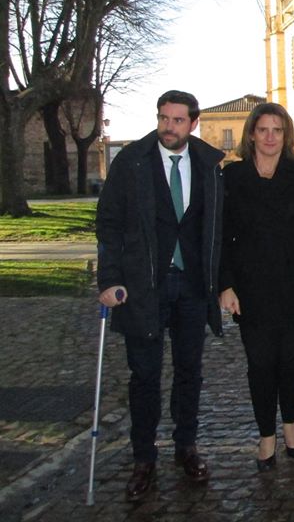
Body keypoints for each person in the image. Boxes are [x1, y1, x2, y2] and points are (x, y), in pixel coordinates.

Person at [96, 90, 224, 502]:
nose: (169, 127)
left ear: (193, 123)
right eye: (164, 118)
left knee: (189, 371)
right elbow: (108, 223)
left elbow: (216, 227)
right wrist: (109, 279)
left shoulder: (208, 165)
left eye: (178, 120)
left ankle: (186, 446)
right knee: (145, 375)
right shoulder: (132, 161)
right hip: (143, 286)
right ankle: (143, 458)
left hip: (191, 286)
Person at [218, 102, 294, 471]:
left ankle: (292, 426)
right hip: (250, 288)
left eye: (277, 130)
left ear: (286, 135)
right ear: (251, 134)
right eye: (263, 129)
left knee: (289, 361)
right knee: (260, 363)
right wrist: (226, 284)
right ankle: (266, 434)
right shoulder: (233, 176)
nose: (270, 137)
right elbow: (222, 235)